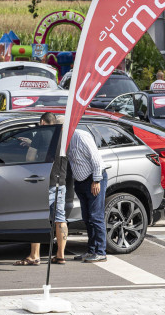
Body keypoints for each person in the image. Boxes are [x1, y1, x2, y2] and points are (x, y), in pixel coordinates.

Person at [15, 113, 69, 266]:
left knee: (38, 217)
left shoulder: (42, 135)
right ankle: (60, 255)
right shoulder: (65, 137)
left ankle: (34, 255)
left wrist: (34, 146)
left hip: (44, 181)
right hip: (61, 181)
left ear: (42, 122)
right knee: (60, 218)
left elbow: (30, 158)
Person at [69, 123, 108, 263]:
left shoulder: (80, 136)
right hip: (81, 181)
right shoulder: (66, 140)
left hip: (93, 178)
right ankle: (91, 250)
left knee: (96, 216)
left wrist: (96, 180)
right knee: (87, 218)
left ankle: (101, 252)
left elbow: (96, 159)